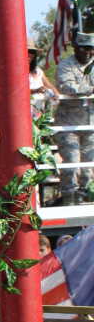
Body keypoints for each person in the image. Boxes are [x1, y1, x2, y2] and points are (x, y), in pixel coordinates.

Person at [55, 31, 94, 206]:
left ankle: (85, 195)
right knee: (72, 161)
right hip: (68, 124)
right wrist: (90, 89)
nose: (88, 52)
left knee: (89, 165)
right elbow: (67, 86)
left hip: (90, 123)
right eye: (84, 48)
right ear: (76, 48)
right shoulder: (66, 65)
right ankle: (69, 197)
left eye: (91, 48)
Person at [27, 38, 59, 119]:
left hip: (40, 112)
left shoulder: (38, 71)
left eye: (32, 52)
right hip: (25, 112)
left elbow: (49, 85)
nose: (29, 55)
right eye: (27, 51)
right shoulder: (15, 73)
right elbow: (17, 92)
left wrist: (56, 94)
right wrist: (36, 90)